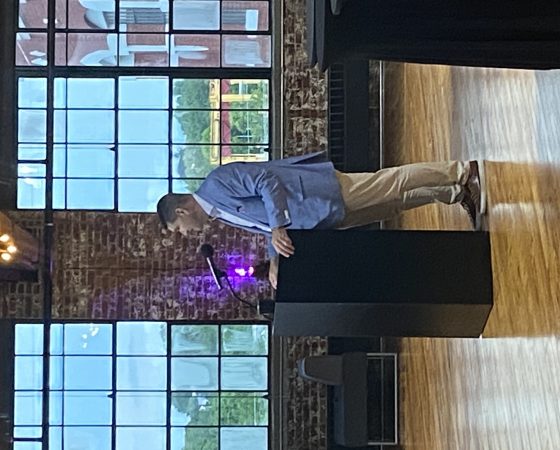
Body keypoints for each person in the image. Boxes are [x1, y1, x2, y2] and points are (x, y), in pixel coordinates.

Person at [157, 152, 485, 288]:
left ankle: (460, 171)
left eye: (179, 229)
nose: (186, 234)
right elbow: (269, 228)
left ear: (182, 211)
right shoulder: (218, 210)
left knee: (390, 184)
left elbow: (266, 181)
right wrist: (274, 261)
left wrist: (277, 227)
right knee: (391, 205)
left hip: (317, 193)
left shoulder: (217, 184)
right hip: (317, 217)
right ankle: (454, 193)